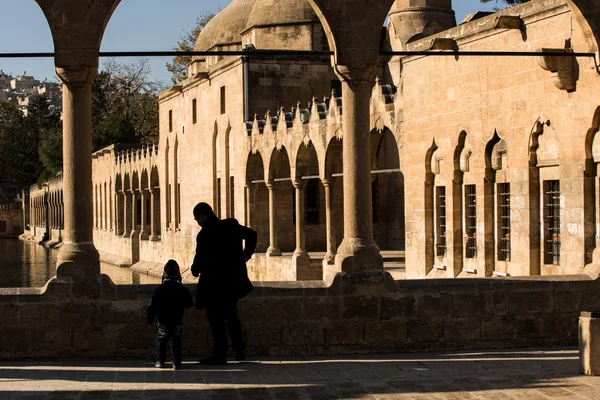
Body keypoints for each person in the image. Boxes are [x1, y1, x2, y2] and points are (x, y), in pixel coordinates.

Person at [191, 202, 257, 365]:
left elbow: (199, 259)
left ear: (202, 216)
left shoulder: (204, 234)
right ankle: (239, 349)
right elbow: (252, 235)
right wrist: (246, 254)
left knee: (215, 319)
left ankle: (220, 354)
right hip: (232, 281)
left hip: (213, 284)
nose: (198, 222)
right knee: (231, 315)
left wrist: (194, 270)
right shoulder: (230, 225)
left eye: (197, 219)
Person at [147, 259, 194, 370]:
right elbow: (189, 303)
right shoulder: (181, 289)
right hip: (177, 319)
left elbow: (153, 306)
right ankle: (176, 363)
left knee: (161, 339)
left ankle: (160, 361)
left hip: (163, 320)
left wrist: (149, 320)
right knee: (175, 340)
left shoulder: (159, 290)